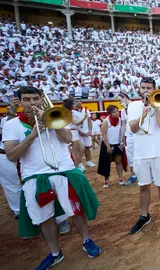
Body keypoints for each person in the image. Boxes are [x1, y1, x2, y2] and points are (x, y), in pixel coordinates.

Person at [2, 86, 100, 269]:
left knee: (76, 210)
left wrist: (51, 123)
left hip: (63, 170)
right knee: (44, 218)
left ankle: (87, 240)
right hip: (34, 175)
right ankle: (55, 253)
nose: (31, 103)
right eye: (27, 100)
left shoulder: (55, 116)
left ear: (41, 99)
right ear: (20, 102)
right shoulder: (10, 125)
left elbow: (67, 138)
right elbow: (11, 155)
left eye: (35, 99)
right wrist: (32, 136)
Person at [127, 77, 160, 234]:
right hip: (141, 153)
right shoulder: (134, 106)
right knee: (143, 186)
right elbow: (133, 128)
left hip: (159, 152)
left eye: (149, 88)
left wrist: (155, 106)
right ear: (139, 89)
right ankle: (144, 215)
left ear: (154, 89)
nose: (146, 91)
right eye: (143, 88)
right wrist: (144, 111)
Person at [0, 102, 21, 219]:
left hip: (23, 154)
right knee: (11, 185)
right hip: (4, 155)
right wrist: (12, 113)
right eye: (7, 109)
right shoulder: (5, 121)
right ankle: (18, 210)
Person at [97, 105, 127, 188]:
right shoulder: (106, 121)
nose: (117, 113)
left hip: (117, 144)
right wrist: (108, 146)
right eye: (114, 112)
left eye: (117, 111)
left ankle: (120, 179)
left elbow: (122, 131)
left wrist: (121, 141)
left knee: (119, 161)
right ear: (110, 113)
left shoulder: (120, 120)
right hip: (108, 144)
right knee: (107, 163)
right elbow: (104, 134)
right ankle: (106, 181)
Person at [117, 93, 137, 184]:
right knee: (130, 156)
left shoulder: (136, 105)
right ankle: (133, 174)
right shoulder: (123, 111)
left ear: (124, 98)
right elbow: (123, 125)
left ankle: (149, 174)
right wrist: (121, 139)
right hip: (129, 135)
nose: (119, 102)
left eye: (119, 100)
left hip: (138, 134)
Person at [64, 99, 88, 172]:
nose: (75, 105)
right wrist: (84, 117)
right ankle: (74, 167)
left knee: (81, 149)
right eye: (73, 104)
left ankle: (76, 165)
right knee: (76, 152)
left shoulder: (69, 113)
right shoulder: (68, 113)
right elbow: (76, 123)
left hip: (74, 132)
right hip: (72, 133)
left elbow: (77, 123)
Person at [74, 100, 95, 169]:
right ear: (74, 102)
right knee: (79, 149)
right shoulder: (72, 112)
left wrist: (90, 130)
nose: (79, 102)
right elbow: (74, 124)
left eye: (80, 101)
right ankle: (80, 164)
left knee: (87, 147)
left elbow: (89, 121)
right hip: (78, 133)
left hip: (87, 132)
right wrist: (80, 132)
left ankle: (89, 161)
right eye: (77, 101)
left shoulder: (86, 110)